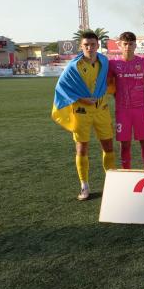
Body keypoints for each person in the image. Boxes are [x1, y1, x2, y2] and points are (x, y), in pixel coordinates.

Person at [51, 31, 115, 200]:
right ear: (81, 46)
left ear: (97, 45)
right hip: (81, 111)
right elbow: (62, 87)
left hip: (101, 109)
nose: (89, 47)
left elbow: (107, 81)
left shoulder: (104, 61)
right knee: (82, 148)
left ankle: (111, 184)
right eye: (86, 45)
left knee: (108, 146)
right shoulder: (74, 66)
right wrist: (81, 98)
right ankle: (84, 186)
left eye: (92, 44)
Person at [108, 31, 144, 170]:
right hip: (122, 110)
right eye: (125, 44)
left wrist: (137, 90)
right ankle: (126, 172)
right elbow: (110, 84)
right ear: (120, 45)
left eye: (131, 44)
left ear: (135, 45)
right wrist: (119, 95)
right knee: (124, 144)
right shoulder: (113, 64)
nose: (128, 47)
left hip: (141, 109)